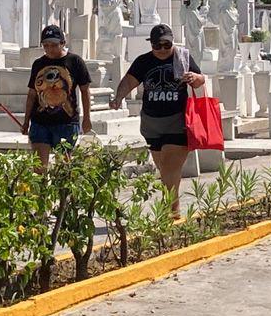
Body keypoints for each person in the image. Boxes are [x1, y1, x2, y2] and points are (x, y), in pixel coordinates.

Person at [111, 23, 205, 219]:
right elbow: (129, 81)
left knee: (171, 165)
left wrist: (194, 77)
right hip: (152, 123)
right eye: (157, 45)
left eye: (166, 44)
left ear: (172, 42)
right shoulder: (143, 61)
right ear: (151, 44)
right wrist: (119, 97)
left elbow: (200, 80)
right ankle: (172, 207)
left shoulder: (182, 57)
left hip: (177, 120)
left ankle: (172, 211)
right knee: (164, 168)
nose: (162, 49)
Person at [24, 24, 92, 166]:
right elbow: (32, 94)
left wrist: (87, 118)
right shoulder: (38, 64)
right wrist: (26, 121)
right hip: (40, 122)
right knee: (39, 167)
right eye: (46, 45)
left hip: (66, 122)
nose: (49, 49)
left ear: (62, 43)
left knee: (63, 168)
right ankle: (41, 189)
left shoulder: (75, 62)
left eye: (54, 45)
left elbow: (85, 90)